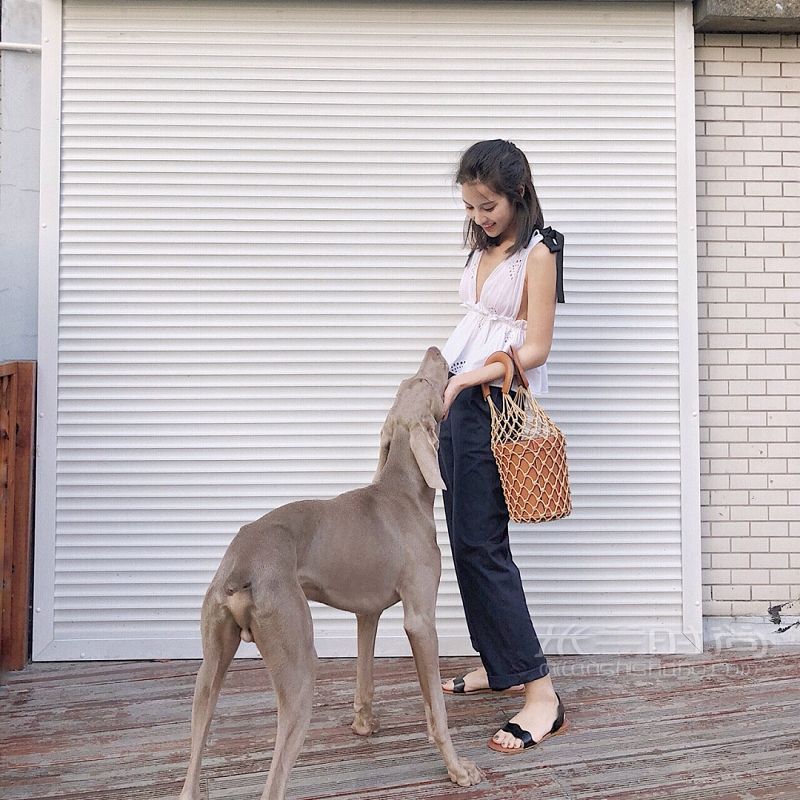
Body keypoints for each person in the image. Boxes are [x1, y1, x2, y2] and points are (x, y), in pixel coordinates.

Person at [437, 139, 567, 755]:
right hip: (461, 403)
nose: (479, 217)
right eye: (470, 206)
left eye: (487, 205)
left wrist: (470, 376)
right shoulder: (484, 247)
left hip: (495, 401)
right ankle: (498, 662)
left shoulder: (539, 252)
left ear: (516, 193)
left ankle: (541, 694)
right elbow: (477, 323)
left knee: (483, 545)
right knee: (465, 540)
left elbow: (535, 347)